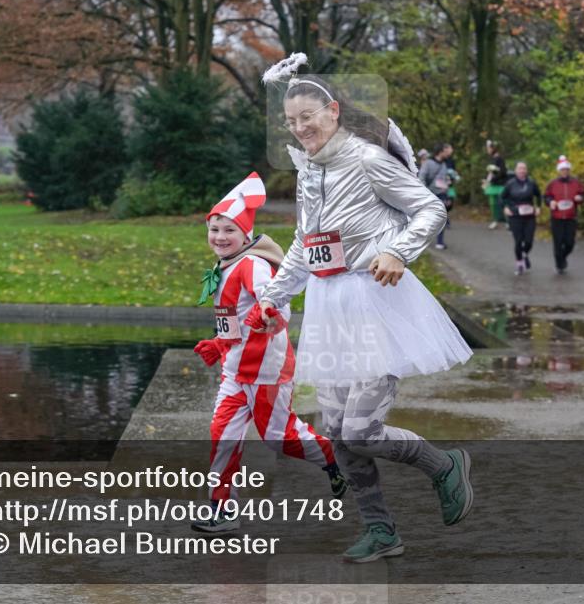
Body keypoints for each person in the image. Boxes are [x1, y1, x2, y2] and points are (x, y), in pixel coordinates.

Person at [258, 56, 474, 564]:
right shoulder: (309, 167)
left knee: (361, 430)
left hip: (375, 299)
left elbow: (429, 208)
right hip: (329, 305)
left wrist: (397, 251)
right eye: (291, 121)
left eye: (307, 116)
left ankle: (443, 465)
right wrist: (272, 297)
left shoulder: (367, 158)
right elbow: (302, 245)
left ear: (332, 111)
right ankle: (381, 532)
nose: (300, 127)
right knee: (336, 431)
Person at [193, 172, 347, 533]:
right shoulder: (224, 266)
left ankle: (334, 458)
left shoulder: (253, 265)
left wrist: (269, 315)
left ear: (245, 235)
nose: (220, 237)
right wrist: (219, 343)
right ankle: (221, 508)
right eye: (214, 229)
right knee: (222, 434)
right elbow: (233, 319)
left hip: (267, 372)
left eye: (229, 230)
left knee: (279, 439)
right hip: (235, 372)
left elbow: (276, 304)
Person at [544, 155, 584, 274]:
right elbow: (547, 196)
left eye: (567, 169)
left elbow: (583, 195)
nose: (565, 172)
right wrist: (550, 202)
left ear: (569, 170)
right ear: (559, 170)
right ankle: (559, 265)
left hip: (570, 217)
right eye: (562, 170)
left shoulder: (576, 183)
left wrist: (580, 198)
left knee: (570, 243)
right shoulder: (552, 183)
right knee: (558, 242)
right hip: (557, 217)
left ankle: (562, 257)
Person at [502, 162, 542, 275]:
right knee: (519, 241)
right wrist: (505, 208)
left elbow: (539, 195)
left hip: (529, 216)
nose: (522, 170)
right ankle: (519, 263)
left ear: (526, 170)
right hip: (515, 216)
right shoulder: (510, 184)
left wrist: (538, 207)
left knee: (529, 241)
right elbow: (502, 197)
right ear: (515, 171)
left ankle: (524, 254)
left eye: (524, 168)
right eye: (520, 168)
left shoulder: (531, 183)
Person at [418, 143, 453, 250]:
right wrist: (425, 194)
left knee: (441, 217)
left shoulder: (444, 165)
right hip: (429, 195)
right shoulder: (428, 163)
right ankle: (419, 242)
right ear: (441, 150)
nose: (449, 153)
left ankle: (440, 242)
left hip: (441, 195)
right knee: (427, 219)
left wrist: (448, 184)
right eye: (447, 150)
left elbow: (444, 180)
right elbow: (421, 177)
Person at [482, 140, 508, 229]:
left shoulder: (500, 158)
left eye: (489, 148)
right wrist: (486, 180)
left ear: (493, 148)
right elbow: (490, 173)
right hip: (492, 185)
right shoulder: (491, 159)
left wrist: (494, 177)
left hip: (500, 185)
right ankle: (495, 220)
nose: (487, 150)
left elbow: (503, 172)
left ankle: (507, 221)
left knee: (502, 203)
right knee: (493, 204)